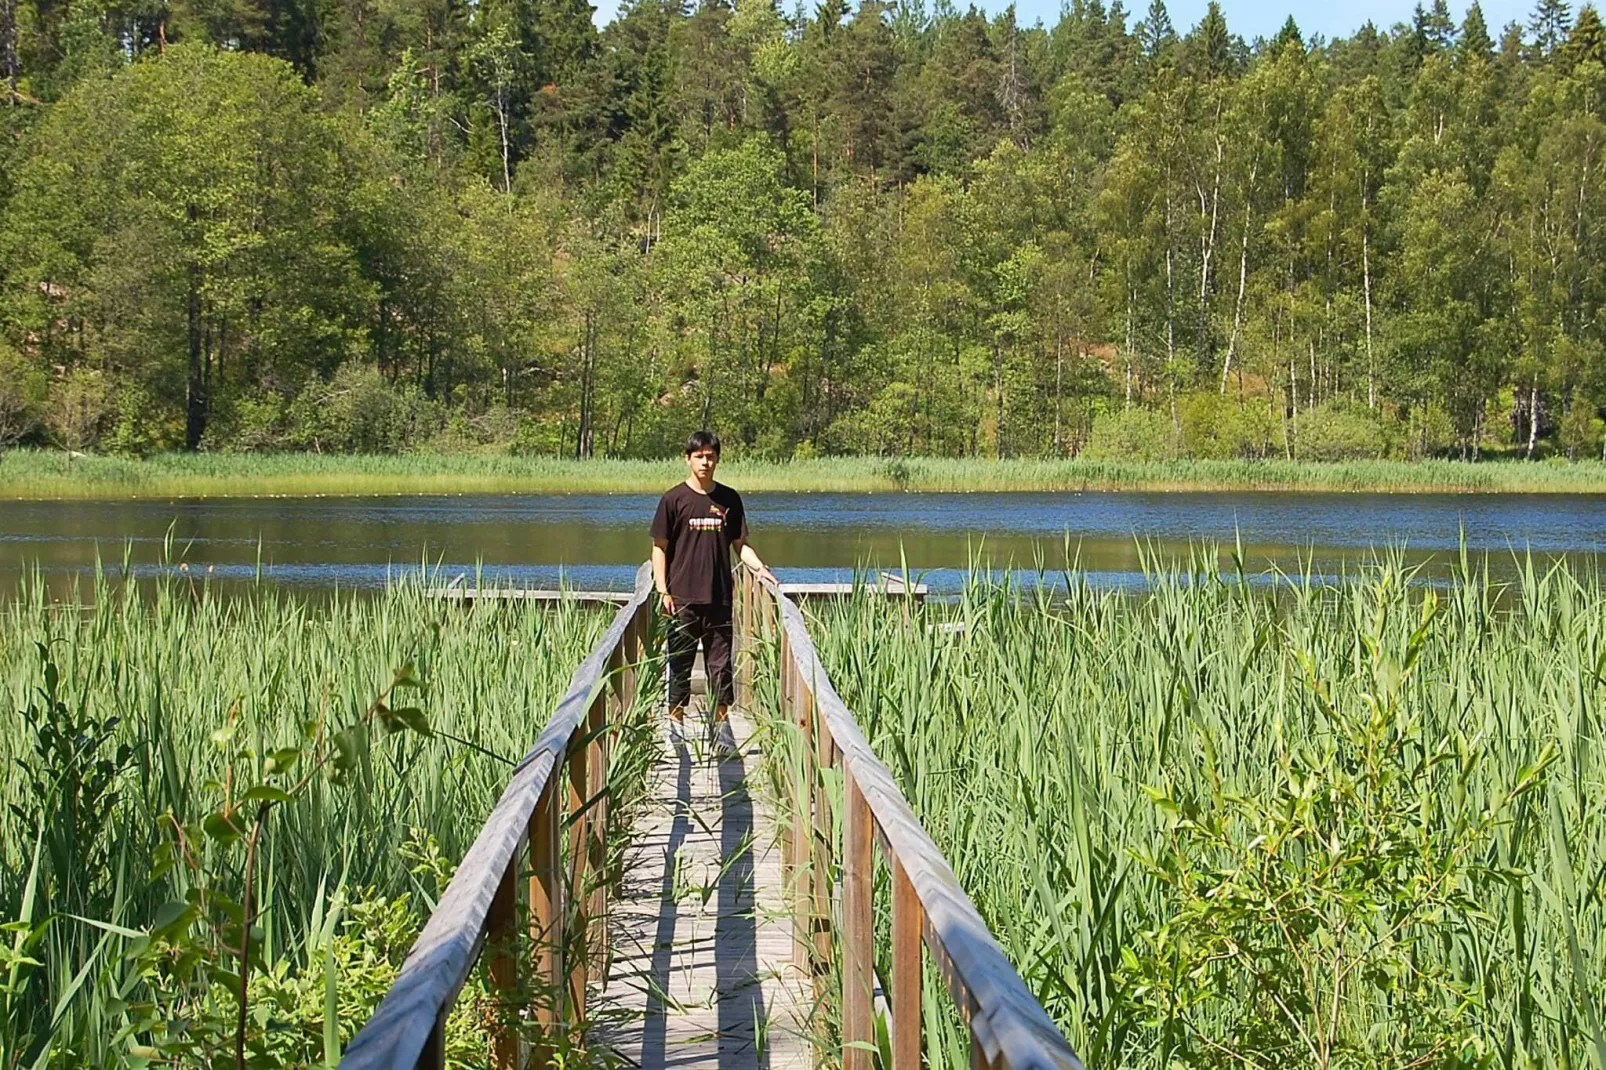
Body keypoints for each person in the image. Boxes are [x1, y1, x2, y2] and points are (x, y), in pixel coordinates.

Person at [650, 429, 777, 726]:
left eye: (710, 456)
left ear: (717, 460)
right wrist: (663, 590)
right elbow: (659, 548)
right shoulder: (673, 499)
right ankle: (676, 724)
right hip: (681, 599)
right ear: (688, 460)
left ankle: (720, 729)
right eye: (699, 457)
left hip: (719, 597)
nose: (705, 462)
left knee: (720, 667)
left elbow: (740, 545)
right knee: (679, 664)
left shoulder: (729, 499)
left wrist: (761, 569)